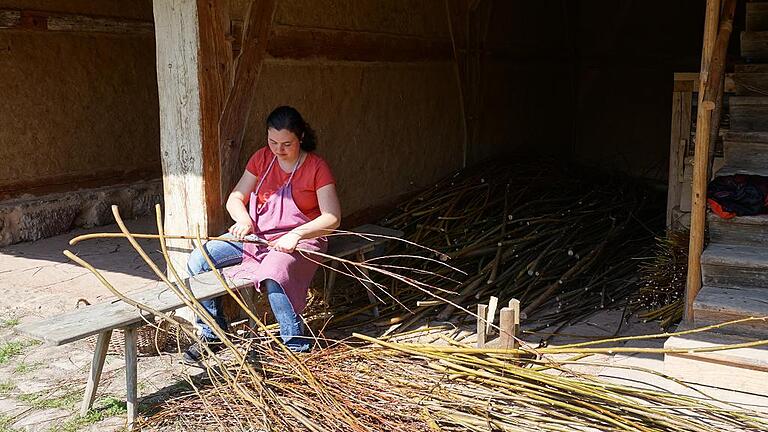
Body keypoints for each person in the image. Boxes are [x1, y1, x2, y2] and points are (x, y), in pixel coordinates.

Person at [183, 106, 340, 363]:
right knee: (199, 260)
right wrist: (244, 219)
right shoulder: (261, 159)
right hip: (257, 237)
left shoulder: (316, 167)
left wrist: (296, 234)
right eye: (273, 142)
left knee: (274, 273)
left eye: (286, 144)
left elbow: (332, 217)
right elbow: (236, 197)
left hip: (301, 240)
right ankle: (212, 333)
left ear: (300, 137)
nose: (278, 150)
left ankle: (295, 344)